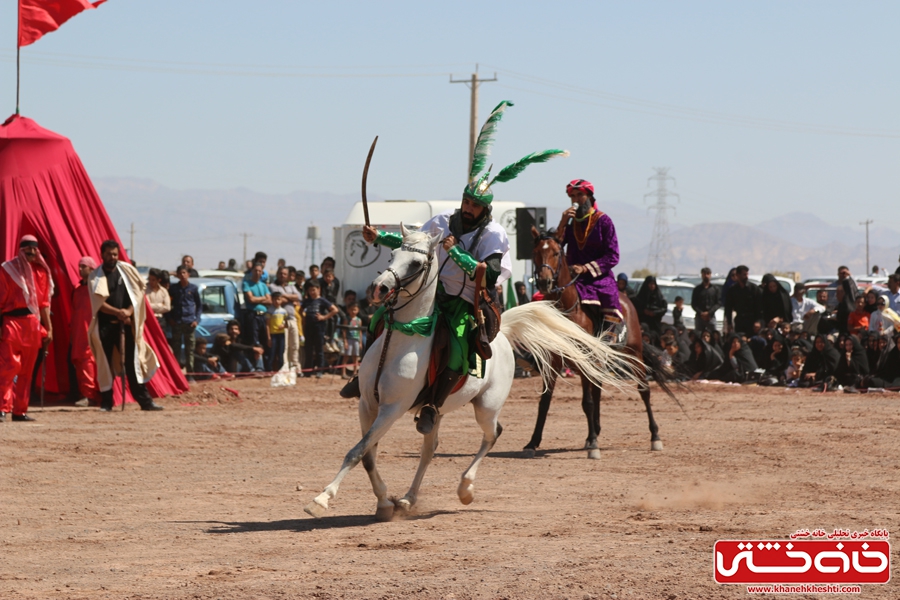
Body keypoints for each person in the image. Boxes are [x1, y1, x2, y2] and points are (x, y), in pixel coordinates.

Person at [88, 240, 163, 411]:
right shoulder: (95, 276)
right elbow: (99, 303)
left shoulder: (127, 271)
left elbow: (138, 295)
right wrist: (117, 312)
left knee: (132, 362)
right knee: (105, 364)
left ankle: (145, 401)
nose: (112, 257)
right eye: (109, 254)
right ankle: (107, 402)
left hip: (127, 325)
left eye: (115, 254)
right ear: (102, 255)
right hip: (106, 327)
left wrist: (128, 312)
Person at [556, 178, 623, 339]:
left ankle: (610, 337)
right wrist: (562, 222)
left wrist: (585, 268)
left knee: (609, 296)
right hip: (574, 277)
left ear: (589, 197)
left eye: (580, 195)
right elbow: (556, 245)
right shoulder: (571, 223)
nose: (576, 200)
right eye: (573, 196)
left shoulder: (604, 221)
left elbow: (613, 256)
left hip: (598, 278)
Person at [0, 235, 54, 422]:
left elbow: (44, 303)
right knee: (8, 367)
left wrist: (49, 328)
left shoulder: (41, 272)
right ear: (20, 250)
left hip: (32, 324)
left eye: (34, 250)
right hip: (11, 321)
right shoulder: (8, 270)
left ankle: (19, 411)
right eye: (27, 249)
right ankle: (2, 408)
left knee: (27, 371)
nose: (31, 253)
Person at [70, 257, 101, 407]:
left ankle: (90, 394)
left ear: (91, 269)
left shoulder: (97, 287)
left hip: (91, 329)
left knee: (88, 362)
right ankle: (84, 393)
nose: (80, 269)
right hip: (78, 331)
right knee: (80, 362)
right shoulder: (77, 289)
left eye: (84, 267)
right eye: (79, 266)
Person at [167, 265, 202, 376]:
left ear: (188, 274)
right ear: (177, 275)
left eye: (184, 273)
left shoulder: (193, 288)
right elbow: (168, 304)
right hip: (177, 322)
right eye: (180, 273)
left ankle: (190, 374)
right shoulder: (174, 289)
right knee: (176, 349)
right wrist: (170, 319)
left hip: (189, 322)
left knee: (189, 350)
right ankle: (177, 374)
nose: (182, 275)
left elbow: (199, 306)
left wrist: (196, 319)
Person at [301, 280, 338, 379]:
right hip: (308, 327)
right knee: (308, 349)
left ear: (318, 289)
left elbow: (335, 310)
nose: (312, 292)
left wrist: (324, 317)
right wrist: (303, 317)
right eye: (310, 290)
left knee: (319, 350)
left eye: (314, 290)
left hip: (319, 327)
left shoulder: (322, 300)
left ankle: (320, 370)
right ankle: (307, 371)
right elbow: (300, 309)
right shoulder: (307, 301)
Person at [268, 267, 302, 370]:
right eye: (280, 273)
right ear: (277, 274)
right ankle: (285, 368)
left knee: (295, 344)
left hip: (292, 319)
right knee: (285, 347)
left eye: (284, 274)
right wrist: (291, 298)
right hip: (281, 320)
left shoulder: (291, 286)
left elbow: (299, 297)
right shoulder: (273, 286)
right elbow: (278, 299)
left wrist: (285, 296)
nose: (282, 276)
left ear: (287, 275)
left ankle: (296, 367)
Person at [242, 262, 271, 361]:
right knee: (254, 341)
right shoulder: (247, 284)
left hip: (264, 316)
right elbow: (251, 299)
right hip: (253, 316)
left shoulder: (263, 285)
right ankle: (256, 365)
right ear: (252, 271)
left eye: (260, 271)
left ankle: (266, 365)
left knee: (265, 340)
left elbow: (270, 300)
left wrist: (258, 299)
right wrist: (263, 298)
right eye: (256, 270)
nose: (257, 273)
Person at [724, 265, 762, 335]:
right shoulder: (732, 290)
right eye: (744, 274)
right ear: (738, 275)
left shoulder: (754, 289)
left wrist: (758, 321)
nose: (746, 276)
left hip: (752, 321)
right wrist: (729, 323)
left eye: (747, 274)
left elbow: (760, 306)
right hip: (740, 321)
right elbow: (728, 307)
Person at [690, 267, 720, 333]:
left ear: (710, 275)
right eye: (704, 274)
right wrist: (701, 313)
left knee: (713, 335)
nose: (706, 276)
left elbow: (718, 303)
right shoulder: (697, 289)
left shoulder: (715, 289)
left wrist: (709, 313)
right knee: (698, 335)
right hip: (699, 317)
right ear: (702, 275)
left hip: (711, 317)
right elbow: (693, 304)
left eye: (708, 274)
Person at [267, 291, 288, 372]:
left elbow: (286, 323)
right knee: (272, 353)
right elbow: (267, 325)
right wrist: (268, 337)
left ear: (281, 300)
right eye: (275, 299)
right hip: (273, 334)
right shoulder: (270, 311)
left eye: (279, 299)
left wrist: (284, 325)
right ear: (272, 300)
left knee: (281, 352)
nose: (277, 301)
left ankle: (281, 370)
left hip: (281, 334)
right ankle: (269, 369)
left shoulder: (284, 311)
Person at [341, 302, 363, 379]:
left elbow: (360, 331)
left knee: (356, 356)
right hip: (349, 339)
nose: (353, 311)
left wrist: (360, 342)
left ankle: (355, 372)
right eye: (351, 309)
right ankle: (343, 372)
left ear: (358, 310)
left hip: (356, 339)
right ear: (348, 310)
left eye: (355, 310)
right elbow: (344, 331)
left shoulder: (359, 320)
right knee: (346, 356)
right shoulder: (347, 319)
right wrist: (345, 341)